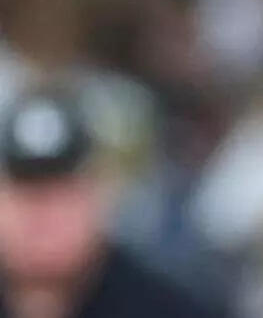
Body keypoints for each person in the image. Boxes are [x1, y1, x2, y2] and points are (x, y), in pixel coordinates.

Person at [0, 84, 226, 318]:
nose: (42, 218)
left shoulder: (171, 307)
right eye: (27, 195)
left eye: (62, 195)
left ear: (102, 197)